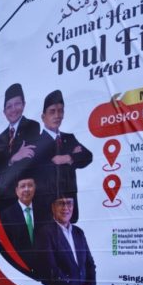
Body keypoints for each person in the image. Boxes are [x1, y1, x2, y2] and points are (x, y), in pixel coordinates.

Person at [31, 89, 91, 224]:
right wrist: (73, 155)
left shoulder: (69, 139)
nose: (57, 115)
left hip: (68, 209)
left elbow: (87, 156)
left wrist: (68, 158)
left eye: (60, 111)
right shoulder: (35, 143)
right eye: (52, 111)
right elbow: (41, 167)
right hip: (46, 210)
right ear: (43, 116)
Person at [33, 195, 96, 285]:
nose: (66, 208)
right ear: (53, 207)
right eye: (61, 203)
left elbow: (90, 265)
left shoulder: (79, 233)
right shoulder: (45, 233)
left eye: (69, 203)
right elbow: (51, 272)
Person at [0, 83, 40, 215]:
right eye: (8, 107)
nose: (13, 110)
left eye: (17, 104)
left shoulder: (32, 126)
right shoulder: (0, 138)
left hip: (23, 198)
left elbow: (28, 159)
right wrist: (14, 158)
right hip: (2, 198)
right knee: (2, 235)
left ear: (23, 104)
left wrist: (3, 168)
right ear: (4, 112)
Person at [0, 174, 46, 276]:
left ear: (35, 188)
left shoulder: (44, 212)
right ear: (16, 190)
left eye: (30, 185)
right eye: (23, 186)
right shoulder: (7, 215)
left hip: (43, 273)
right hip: (18, 273)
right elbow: (2, 247)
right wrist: (15, 268)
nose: (27, 189)